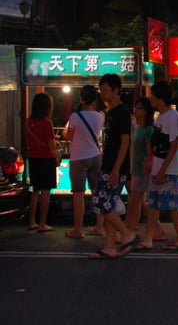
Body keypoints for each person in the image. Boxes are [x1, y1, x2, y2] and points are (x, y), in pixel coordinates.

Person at [88, 74, 139, 259]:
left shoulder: (122, 113)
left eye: (106, 90)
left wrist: (116, 169)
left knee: (101, 202)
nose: (102, 94)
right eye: (101, 90)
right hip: (108, 164)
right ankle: (110, 246)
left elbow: (125, 142)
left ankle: (127, 234)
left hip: (115, 167)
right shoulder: (111, 112)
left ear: (116, 90)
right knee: (107, 204)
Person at [136, 81, 178, 251]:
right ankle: (149, 238)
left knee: (172, 206)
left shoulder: (172, 117)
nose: (150, 98)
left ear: (160, 97)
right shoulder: (162, 117)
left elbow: (173, 145)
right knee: (153, 206)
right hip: (159, 168)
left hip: (168, 170)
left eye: (153, 95)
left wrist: (162, 170)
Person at [63, 85, 104, 239]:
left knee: (78, 194)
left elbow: (69, 137)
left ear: (81, 99)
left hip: (79, 158)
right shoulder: (100, 116)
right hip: (96, 156)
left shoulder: (75, 117)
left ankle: (78, 229)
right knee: (97, 192)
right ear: (95, 100)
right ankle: (99, 227)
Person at [125, 97, 166, 241]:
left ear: (147, 111)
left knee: (136, 200)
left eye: (140, 108)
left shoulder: (148, 130)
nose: (136, 110)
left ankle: (129, 232)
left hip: (142, 169)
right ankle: (159, 230)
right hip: (136, 167)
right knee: (140, 201)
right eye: (136, 107)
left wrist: (147, 164)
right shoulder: (138, 128)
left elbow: (150, 152)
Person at [25, 93, 57, 232]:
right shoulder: (47, 122)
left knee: (34, 191)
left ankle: (32, 222)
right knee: (45, 192)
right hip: (46, 159)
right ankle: (43, 223)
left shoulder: (27, 122)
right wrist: (57, 153)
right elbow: (51, 146)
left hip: (33, 158)